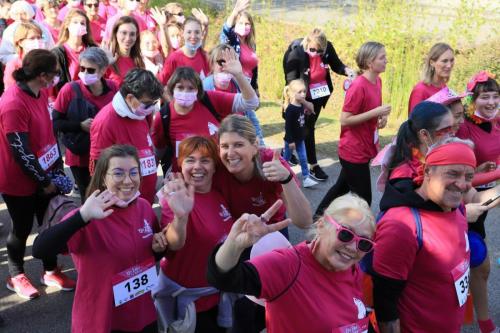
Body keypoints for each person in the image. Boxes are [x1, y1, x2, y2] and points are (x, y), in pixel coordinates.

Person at [33, 145, 167, 332]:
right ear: (103, 177)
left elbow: (147, 256)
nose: (128, 181)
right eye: (118, 173)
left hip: (142, 314)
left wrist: (158, 249)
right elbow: (40, 249)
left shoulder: (144, 207)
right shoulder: (89, 215)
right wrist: (81, 217)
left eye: (134, 173)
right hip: (102, 318)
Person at [372, 139, 500, 333]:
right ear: (427, 171)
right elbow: (385, 304)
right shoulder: (401, 226)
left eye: (469, 177)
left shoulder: (454, 209)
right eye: (453, 173)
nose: (462, 184)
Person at [207, 193, 375, 333]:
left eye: (364, 243)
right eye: (345, 234)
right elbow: (224, 279)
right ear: (322, 225)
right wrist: (233, 245)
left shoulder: (353, 270)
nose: (353, 248)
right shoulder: (288, 266)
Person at [214, 114, 313, 333]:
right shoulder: (217, 165)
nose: (230, 153)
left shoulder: (271, 162)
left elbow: (305, 221)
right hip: (236, 237)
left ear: (255, 146)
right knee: (241, 308)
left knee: (272, 304)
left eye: (238, 145)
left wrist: (286, 179)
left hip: (271, 235)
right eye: (224, 146)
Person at [0, 49, 75, 300]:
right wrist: (43, 181)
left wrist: (55, 171)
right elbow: (21, 151)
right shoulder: (12, 104)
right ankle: (16, 275)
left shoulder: (40, 93)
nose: (57, 77)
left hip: (46, 174)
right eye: (54, 73)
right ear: (42, 76)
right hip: (19, 180)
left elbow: (47, 133)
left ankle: (50, 270)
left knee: (49, 225)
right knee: (21, 228)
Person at [154, 136, 234, 332]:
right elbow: (173, 243)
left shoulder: (219, 195)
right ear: (181, 164)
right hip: (189, 305)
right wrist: (181, 217)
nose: (197, 166)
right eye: (190, 160)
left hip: (218, 296)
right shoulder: (173, 197)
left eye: (205, 160)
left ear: (215, 167)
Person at [315, 41, 391, 217]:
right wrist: (376, 112)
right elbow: (345, 119)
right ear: (370, 62)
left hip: (365, 147)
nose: (386, 60)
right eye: (382, 57)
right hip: (353, 151)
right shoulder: (358, 86)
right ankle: (357, 235)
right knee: (364, 200)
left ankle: (318, 218)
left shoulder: (377, 81)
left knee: (341, 188)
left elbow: (371, 110)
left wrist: (381, 117)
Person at [151, 50, 259, 172]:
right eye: (180, 87)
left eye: (191, 88)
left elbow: (251, 102)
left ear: (198, 91)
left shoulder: (210, 100)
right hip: (184, 181)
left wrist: (239, 75)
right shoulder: (165, 116)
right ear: (172, 89)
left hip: (216, 176)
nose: (185, 92)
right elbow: (157, 153)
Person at [456, 71, 500, 333]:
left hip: (484, 200)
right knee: (477, 264)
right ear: (473, 99)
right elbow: (460, 177)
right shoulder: (465, 127)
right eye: (485, 97)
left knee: (475, 263)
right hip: (464, 201)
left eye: (495, 96)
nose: (492, 102)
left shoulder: (495, 122)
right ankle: (483, 322)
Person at [283, 28, 355, 181]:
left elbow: (337, 65)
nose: (316, 53)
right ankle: (313, 165)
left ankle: (287, 154)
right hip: (300, 94)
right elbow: (291, 82)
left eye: (320, 51)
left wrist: (347, 71)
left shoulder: (327, 47)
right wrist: (304, 101)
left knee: (306, 127)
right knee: (301, 127)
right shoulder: (296, 54)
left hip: (318, 94)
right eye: (312, 49)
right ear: (307, 43)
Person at [53, 47, 118, 202]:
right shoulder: (69, 90)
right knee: (88, 196)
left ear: (103, 70)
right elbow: (56, 122)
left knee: (109, 194)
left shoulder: (113, 88)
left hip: (107, 155)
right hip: (80, 157)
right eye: (82, 68)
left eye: (90, 70)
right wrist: (80, 126)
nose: (85, 73)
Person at [91, 68, 163, 205]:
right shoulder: (105, 122)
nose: (152, 108)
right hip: (124, 201)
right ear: (130, 98)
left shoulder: (140, 112)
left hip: (144, 199)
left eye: (154, 103)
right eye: (148, 103)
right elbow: (98, 169)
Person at [203, 43, 264, 146]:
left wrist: (261, 144)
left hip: (240, 141)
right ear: (212, 65)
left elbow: (251, 116)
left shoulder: (240, 85)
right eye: (221, 62)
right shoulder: (204, 88)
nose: (226, 66)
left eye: (231, 62)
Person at [282, 79, 317, 188]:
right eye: (299, 92)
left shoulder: (301, 106)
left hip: (300, 139)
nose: (303, 94)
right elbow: (288, 127)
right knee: (286, 159)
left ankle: (306, 178)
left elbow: (304, 117)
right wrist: (291, 141)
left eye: (304, 91)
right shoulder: (290, 109)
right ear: (292, 93)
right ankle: (281, 174)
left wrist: (307, 112)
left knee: (303, 158)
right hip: (290, 140)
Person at [220, 0, 259, 95]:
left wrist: (255, 87)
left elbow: (254, 69)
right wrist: (235, 13)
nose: (244, 26)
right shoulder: (232, 41)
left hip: (247, 87)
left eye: (247, 24)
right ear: (235, 25)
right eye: (240, 23)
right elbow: (226, 30)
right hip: (233, 86)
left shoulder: (251, 44)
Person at [52, 8, 97, 91]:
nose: (79, 25)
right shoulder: (57, 53)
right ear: (67, 25)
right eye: (75, 22)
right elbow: (58, 84)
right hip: (69, 97)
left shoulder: (93, 49)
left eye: (82, 23)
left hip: (91, 95)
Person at [158, 16, 209, 85]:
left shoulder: (205, 56)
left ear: (201, 34)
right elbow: (161, 84)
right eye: (189, 32)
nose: (193, 36)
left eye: (197, 32)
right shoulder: (173, 58)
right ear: (182, 33)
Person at [0, 0, 54, 64]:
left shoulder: (41, 27)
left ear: (29, 13)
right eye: (17, 14)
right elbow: (4, 55)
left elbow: (51, 47)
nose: (20, 17)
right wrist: (22, 58)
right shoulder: (9, 31)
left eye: (23, 14)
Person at [408, 42, 454, 115]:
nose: (449, 65)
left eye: (451, 60)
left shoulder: (445, 89)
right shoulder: (420, 90)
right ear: (432, 63)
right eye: (444, 61)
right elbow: (414, 123)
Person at [104, 15, 145, 86]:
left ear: (136, 36)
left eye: (132, 34)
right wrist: (103, 65)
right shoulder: (107, 59)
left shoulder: (138, 61)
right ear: (115, 33)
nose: (128, 38)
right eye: (124, 33)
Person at [3, 22, 44, 90]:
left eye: (39, 37)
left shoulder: (46, 62)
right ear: (20, 42)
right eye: (32, 38)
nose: (37, 41)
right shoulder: (13, 66)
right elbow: (10, 93)